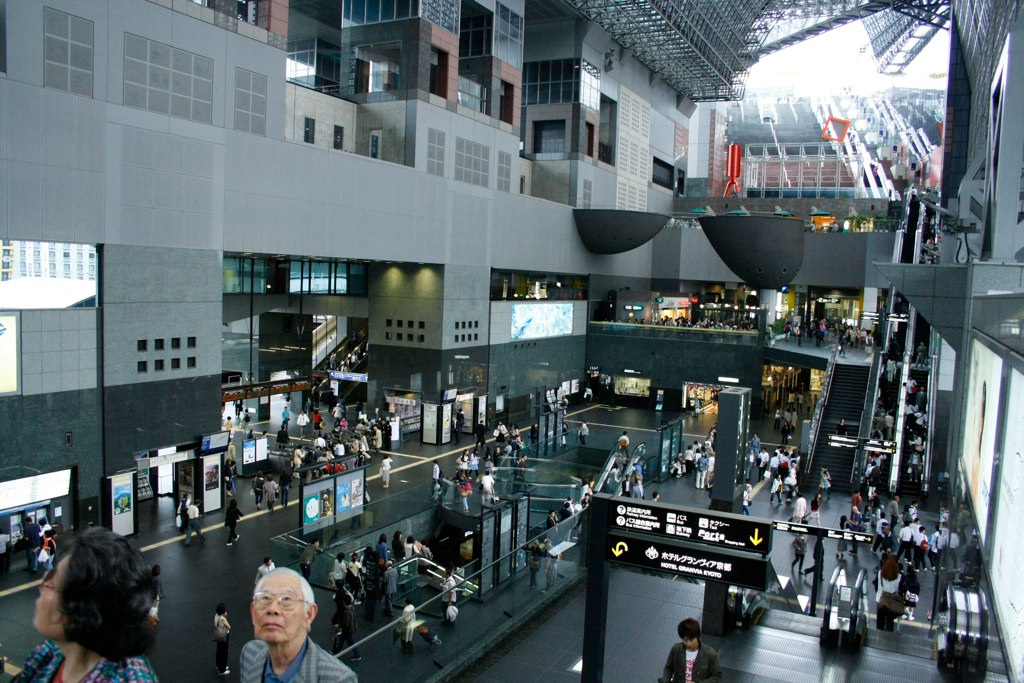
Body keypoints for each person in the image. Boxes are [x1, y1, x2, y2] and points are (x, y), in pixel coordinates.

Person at [16, 527, 159, 681]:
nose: (41, 588)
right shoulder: (46, 655)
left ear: (83, 609)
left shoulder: (132, 678)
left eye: (51, 582)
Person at [241, 568, 358, 680]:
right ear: (253, 611)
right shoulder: (250, 654)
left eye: (286, 599)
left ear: (309, 614)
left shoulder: (337, 678)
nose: (272, 609)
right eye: (265, 598)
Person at [657, 617, 722, 683]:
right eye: (685, 640)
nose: (688, 644)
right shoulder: (676, 649)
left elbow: (717, 676)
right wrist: (665, 679)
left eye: (691, 640)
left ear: (698, 636)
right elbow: (669, 667)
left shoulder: (710, 654)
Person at [875, 556, 903, 631]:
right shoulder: (900, 577)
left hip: (880, 600)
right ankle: (888, 636)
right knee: (890, 620)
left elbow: (876, 585)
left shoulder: (880, 573)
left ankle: (879, 633)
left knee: (880, 620)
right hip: (892, 602)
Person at [213, 602, 232, 675]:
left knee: (219, 651)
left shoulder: (216, 616)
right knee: (224, 652)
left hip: (218, 633)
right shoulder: (222, 619)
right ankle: (222, 669)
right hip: (224, 635)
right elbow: (229, 626)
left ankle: (219, 666)